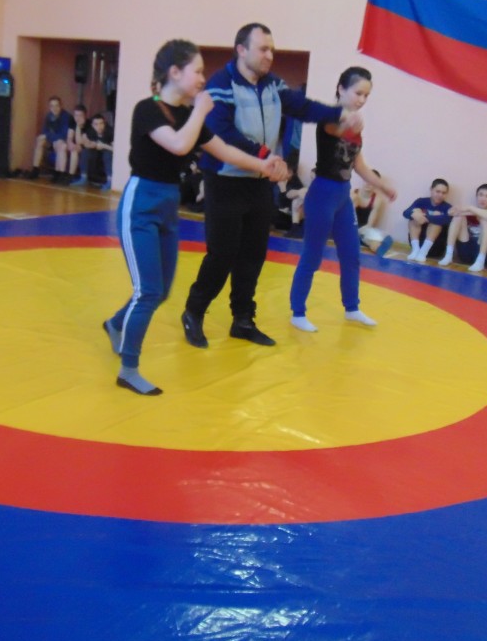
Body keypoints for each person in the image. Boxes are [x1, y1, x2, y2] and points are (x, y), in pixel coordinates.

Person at [103, 39, 284, 396]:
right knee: (148, 290)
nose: (204, 78)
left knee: (161, 291)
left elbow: (224, 150)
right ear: (174, 72)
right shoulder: (148, 109)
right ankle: (128, 369)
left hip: (168, 205)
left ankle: (115, 324)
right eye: (198, 71)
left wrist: (263, 165)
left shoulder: (189, 116)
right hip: (141, 204)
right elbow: (178, 145)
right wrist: (201, 110)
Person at [181, 23, 363, 348]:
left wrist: (339, 113)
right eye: (263, 49)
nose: (269, 55)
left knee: (253, 253)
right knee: (222, 254)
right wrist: (265, 155)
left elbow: (303, 107)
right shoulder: (221, 85)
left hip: (260, 182)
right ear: (241, 50)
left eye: (272, 49)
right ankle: (194, 312)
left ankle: (243, 319)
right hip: (225, 181)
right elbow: (223, 133)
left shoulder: (273, 84)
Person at [289, 67, 397, 333]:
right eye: (358, 93)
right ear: (341, 89)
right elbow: (335, 129)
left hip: (342, 196)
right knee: (312, 255)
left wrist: (382, 185)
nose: (362, 100)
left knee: (351, 255)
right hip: (322, 194)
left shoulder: (356, 125)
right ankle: (298, 312)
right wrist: (349, 122)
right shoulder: (330, 117)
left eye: (366, 96)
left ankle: (352, 307)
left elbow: (359, 165)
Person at [438, 183, 487, 272]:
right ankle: (448, 255)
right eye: (480, 195)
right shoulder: (468, 210)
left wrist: (470, 208)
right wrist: (468, 211)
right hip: (466, 251)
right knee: (458, 217)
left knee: (486, 221)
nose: (483, 199)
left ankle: (480, 261)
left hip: (483, 253)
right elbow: (451, 212)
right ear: (476, 196)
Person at [403, 178, 452, 262]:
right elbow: (405, 213)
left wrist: (426, 216)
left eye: (443, 193)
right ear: (431, 190)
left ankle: (423, 252)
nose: (440, 195)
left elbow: (447, 219)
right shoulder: (421, 201)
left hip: (435, 246)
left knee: (436, 222)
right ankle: (415, 250)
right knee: (414, 215)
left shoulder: (448, 207)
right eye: (438, 191)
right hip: (418, 242)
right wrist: (414, 214)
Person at [28, 96, 73, 183]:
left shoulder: (66, 117)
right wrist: (47, 136)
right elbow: (44, 131)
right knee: (39, 140)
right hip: (52, 139)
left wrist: (49, 136)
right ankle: (35, 169)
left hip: (63, 140)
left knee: (60, 144)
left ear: (61, 106)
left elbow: (64, 134)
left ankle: (59, 173)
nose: (54, 108)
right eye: (52, 106)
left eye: (56, 106)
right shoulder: (48, 116)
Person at [352, 169, 394, 256]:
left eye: (372, 183)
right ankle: (364, 240)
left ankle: (372, 246)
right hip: (349, 228)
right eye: (366, 181)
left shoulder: (377, 200)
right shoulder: (353, 194)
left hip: (364, 230)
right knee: (368, 239)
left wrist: (364, 232)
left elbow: (370, 224)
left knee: (387, 239)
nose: (368, 184)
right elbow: (347, 219)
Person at [71, 113, 114, 190]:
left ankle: (110, 181)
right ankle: (83, 178)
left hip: (108, 151)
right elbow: (82, 142)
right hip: (96, 152)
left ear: (104, 123)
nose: (99, 127)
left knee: (107, 154)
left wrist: (104, 145)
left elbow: (117, 150)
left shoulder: (110, 132)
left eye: (101, 123)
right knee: (85, 151)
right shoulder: (90, 131)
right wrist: (91, 144)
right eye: (96, 124)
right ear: (92, 125)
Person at [66, 104, 89, 181]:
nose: (77, 118)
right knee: (71, 148)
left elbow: (80, 142)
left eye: (80, 115)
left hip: (86, 146)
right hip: (76, 145)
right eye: (76, 115)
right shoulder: (72, 121)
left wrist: (78, 126)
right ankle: (63, 174)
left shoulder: (88, 124)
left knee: (74, 151)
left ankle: (71, 176)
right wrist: (70, 143)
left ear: (85, 116)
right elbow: (69, 137)